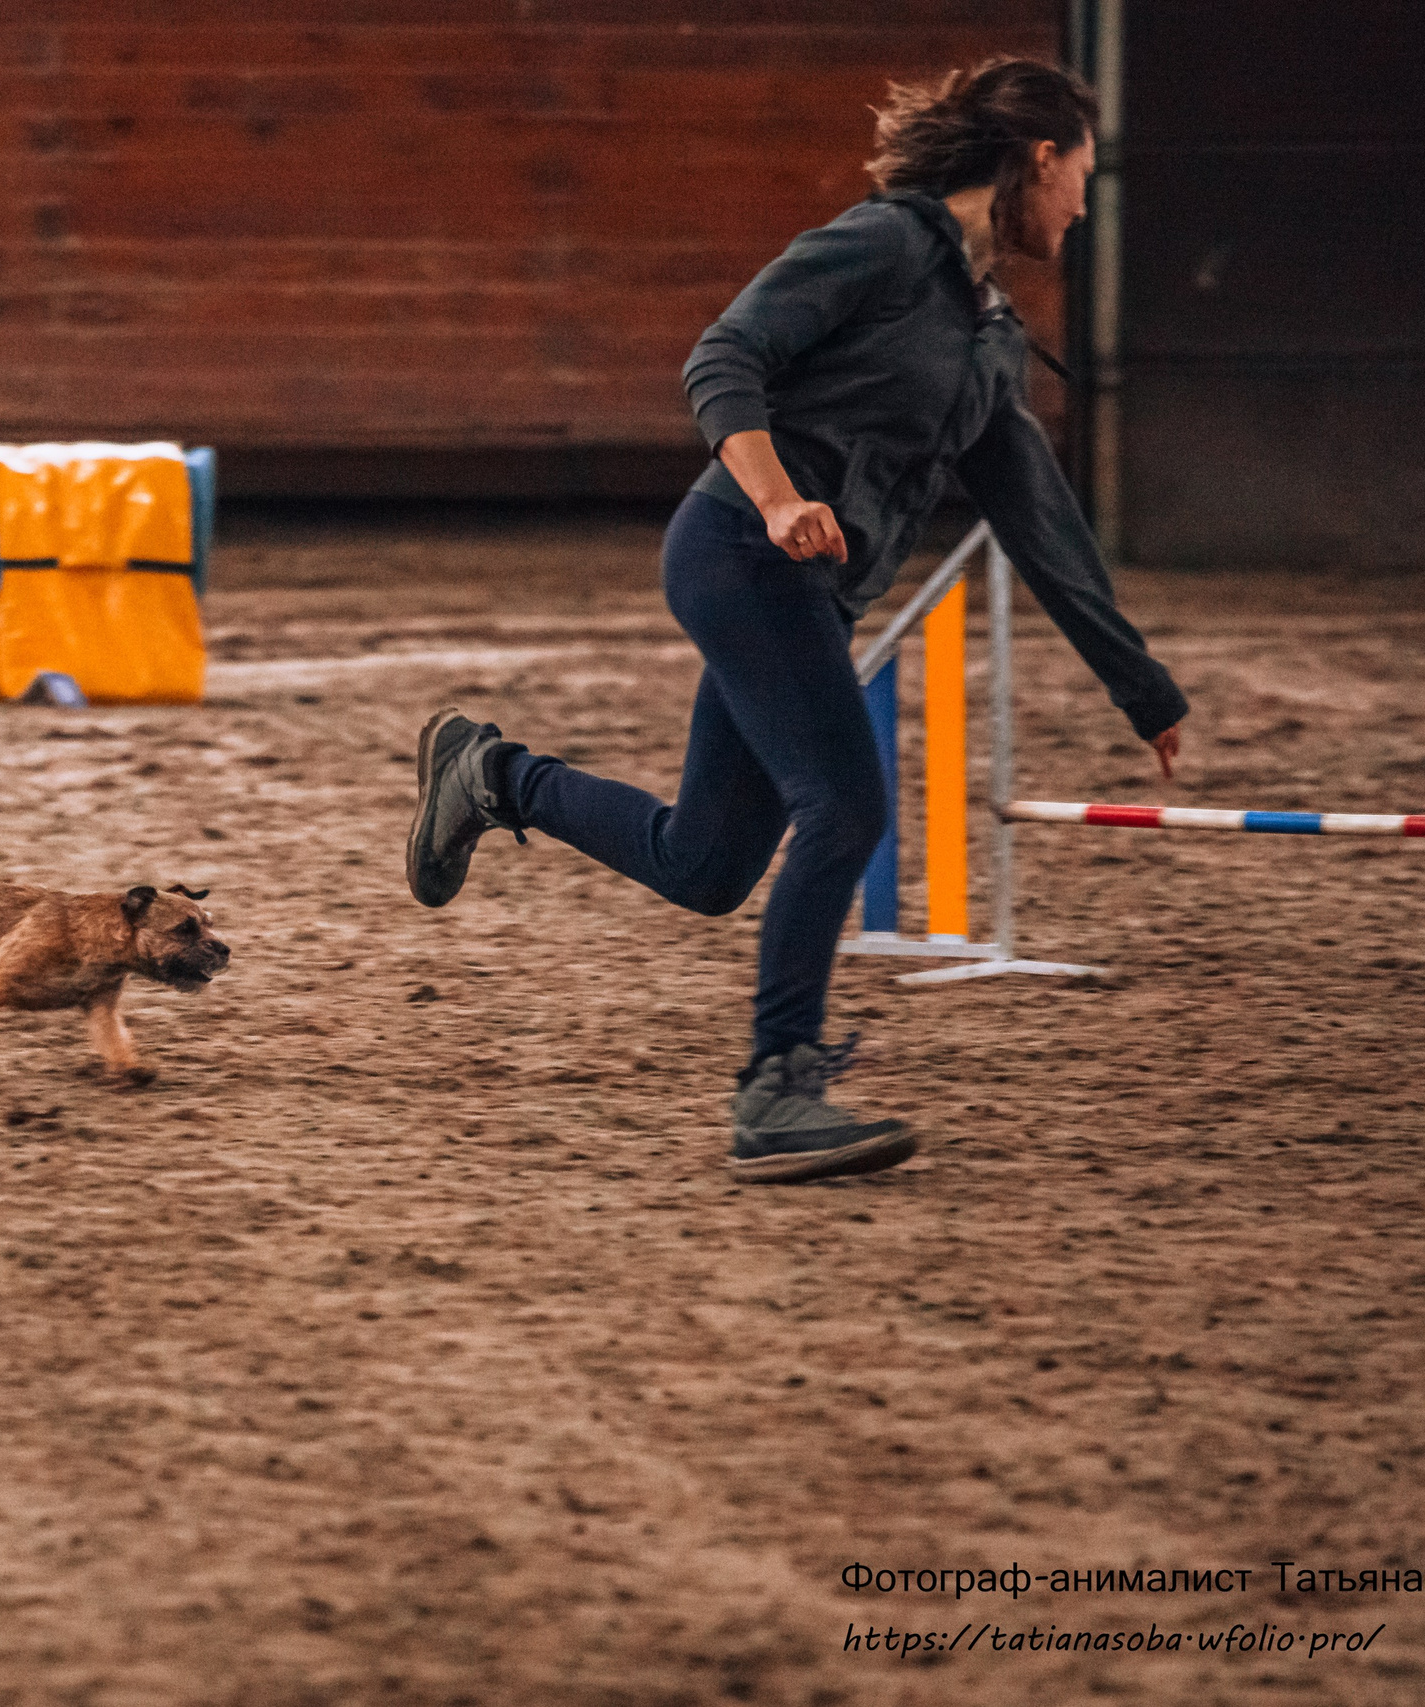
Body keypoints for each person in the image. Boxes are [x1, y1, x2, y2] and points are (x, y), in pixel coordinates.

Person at [403, 57, 1188, 1185]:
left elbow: (1037, 518)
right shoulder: (877, 245)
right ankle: (777, 1090)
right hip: (736, 554)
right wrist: (777, 499)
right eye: (1081, 178)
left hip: (807, 597)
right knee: (846, 806)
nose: (1081, 206)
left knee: (706, 865)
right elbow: (724, 358)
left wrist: (1141, 687)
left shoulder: (988, 331)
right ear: (1039, 160)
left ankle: (490, 776)